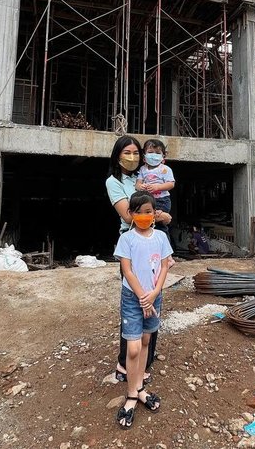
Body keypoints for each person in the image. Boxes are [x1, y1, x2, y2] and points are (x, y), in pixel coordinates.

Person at [105, 136, 171, 384]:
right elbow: (127, 215)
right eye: (127, 153)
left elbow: (162, 210)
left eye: (136, 153)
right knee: (133, 304)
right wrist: (158, 215)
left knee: (153, 301)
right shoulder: (114, 182)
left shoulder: (145, 175)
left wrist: (162, 216)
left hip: (153, 245)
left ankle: (146, 363)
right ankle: (124, 364)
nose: (132, 157)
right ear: (118, 155)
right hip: (133, 245)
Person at [113, 192, 172, 429]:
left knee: (146, 340)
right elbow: (127, 271)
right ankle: (130, 394)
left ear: (154, 213)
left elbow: (165, 265)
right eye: (139, 212)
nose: (144, 216)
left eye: (149, 212)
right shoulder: (126, 239)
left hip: (153, 296)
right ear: (131, 215)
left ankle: (139, 389)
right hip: (133, 297)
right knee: (134, 347)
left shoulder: (160, 237)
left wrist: (155, 292)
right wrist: (142, 297)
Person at [136, 138, 175, 235]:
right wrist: (140, 187)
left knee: (160, 226)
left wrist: (157, 187)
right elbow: (137, 183)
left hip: (162, 200)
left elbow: (171, 184)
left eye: (157, 153)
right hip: (148, 200)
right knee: (147, 225)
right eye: (150, 152)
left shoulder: (165, 169)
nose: (154, 155)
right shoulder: (142, 169)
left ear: (163, 157)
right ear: (144, 156)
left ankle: (164, 245)